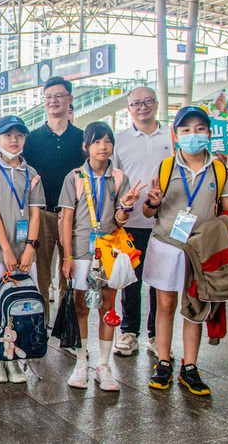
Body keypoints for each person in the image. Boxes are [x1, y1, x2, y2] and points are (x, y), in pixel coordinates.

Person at [142, 107, 228, 396]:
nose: (193, 135)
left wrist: (214, 233)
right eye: (186, 130)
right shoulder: (166, 167)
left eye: (199, 129)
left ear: (209, 132)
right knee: (166, 304)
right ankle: (163, 362)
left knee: (194, 306)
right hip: (166, 245)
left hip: (201, 251)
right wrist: (153, 202)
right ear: (176, 135)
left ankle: (190, 367)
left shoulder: (219, 170)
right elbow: (147, 213)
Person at [59, 122, 143, 391]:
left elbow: (120, 220)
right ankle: (82, 362)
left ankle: (104, 366)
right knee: (81, 305)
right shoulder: (74, 177)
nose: (103, 147)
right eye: (97, 142)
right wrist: (67, 256)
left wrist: (127, 206)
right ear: (86, 146)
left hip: (109, 251)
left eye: (108, 141)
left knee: (108, 306)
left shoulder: (119, 178)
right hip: (82, 251)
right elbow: (66, 220)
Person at [0, 116, 45, 383]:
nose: (14, 140)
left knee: (23, 302)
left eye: (19, 135)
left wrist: (29, 248)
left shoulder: (33, 175)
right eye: (8, 136)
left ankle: (17, 355)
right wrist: (6, 249)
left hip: (25, 251)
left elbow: (36, 213)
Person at [111, 87, 172, 358]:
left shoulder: (172, 135)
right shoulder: (119, 139)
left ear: (156, 104)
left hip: (166, 222)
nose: (143, 107)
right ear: (129, 109)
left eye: (148, 102)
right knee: (130, 281)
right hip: (131, 221)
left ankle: (157, 335)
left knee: (161, 282)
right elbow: (111, 179)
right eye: (136, 103)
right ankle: (128, 332)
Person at [22, 76, 84, 322]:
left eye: (59, 96)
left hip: (76, 215)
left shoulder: (82, 138)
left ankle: (65, 330)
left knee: (70, 275)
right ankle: (40, 326)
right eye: (48, 97)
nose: (53, 101)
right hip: (44, 214)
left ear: (70, 99)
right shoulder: (33, 139)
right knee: (42, 275)